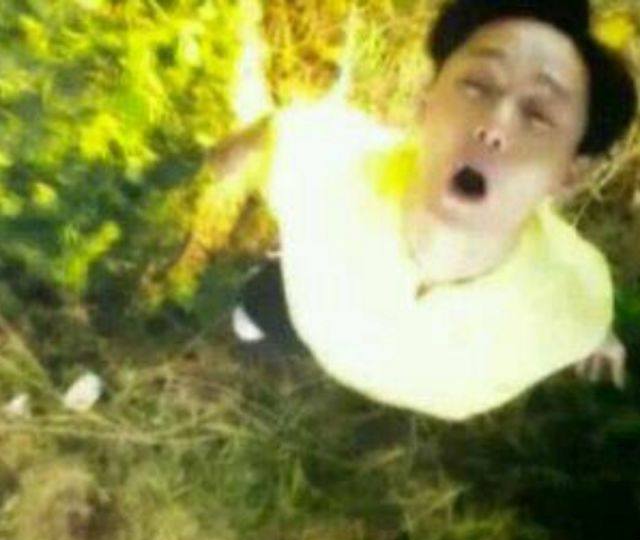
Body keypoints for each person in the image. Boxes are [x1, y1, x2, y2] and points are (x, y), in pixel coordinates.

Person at [226, 0, 637, 421]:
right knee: (258, 317)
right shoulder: (324, 164)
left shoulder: (570, 302)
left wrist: (597, 339)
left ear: (570, 172)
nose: (494, 125)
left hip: (419, 384)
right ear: (426, 104)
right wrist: (232, 151)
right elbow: (280, 132)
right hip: (314, 317)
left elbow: (585, 313)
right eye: (478, 85)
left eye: (537, 114)